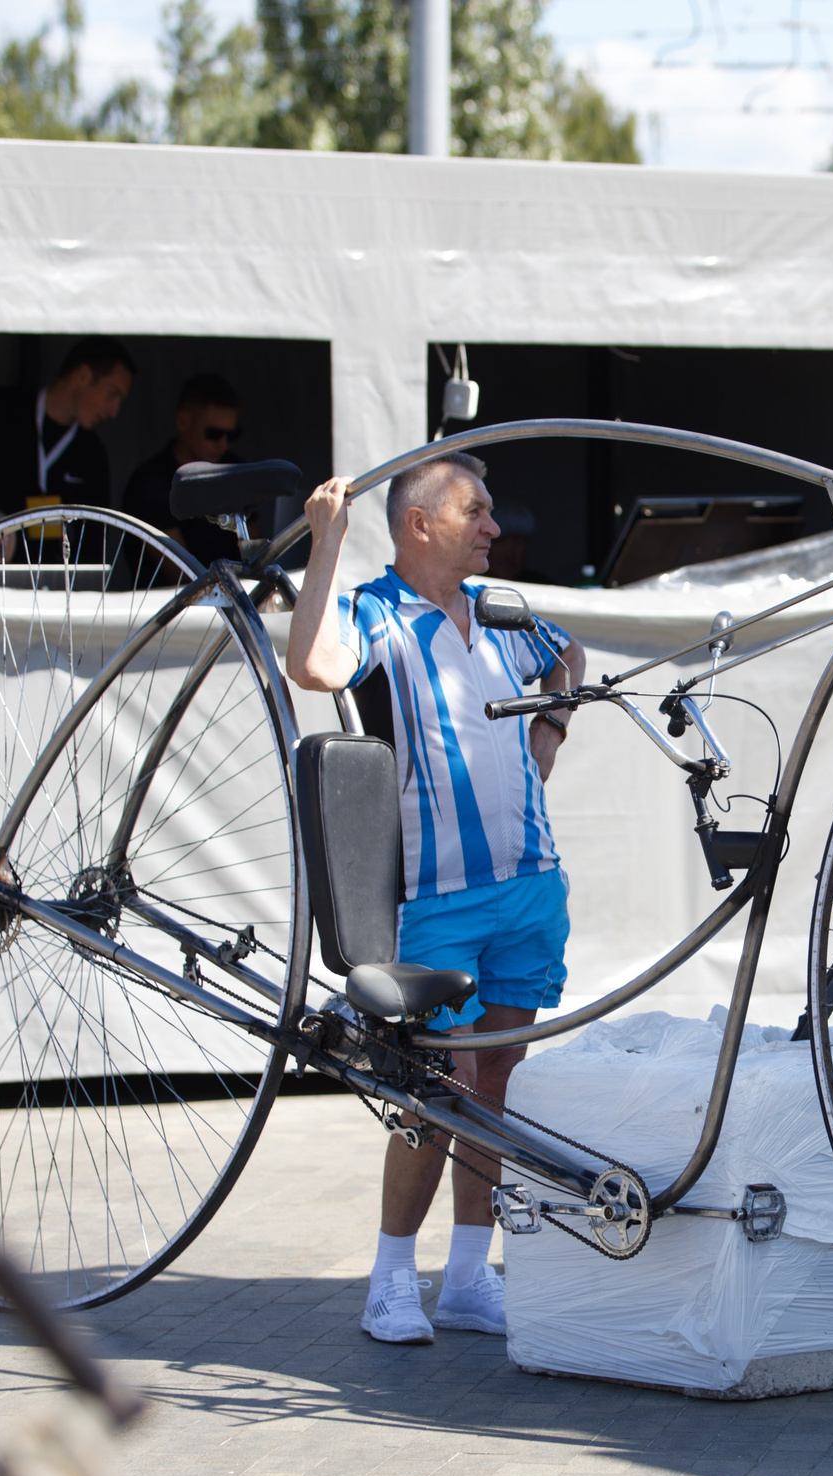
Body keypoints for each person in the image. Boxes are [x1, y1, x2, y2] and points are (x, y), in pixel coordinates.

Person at [281, 452, 586, 1347]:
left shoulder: (497, 610)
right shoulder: (380, 611)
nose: (496, 527)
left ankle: (465, 1275)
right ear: (421, 524)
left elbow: (568, 652)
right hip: (440, 896)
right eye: (476, 511)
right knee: (432, 1090)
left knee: (494, 1082)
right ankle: (387, 1277)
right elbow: (311, 663)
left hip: (529, 883)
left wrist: (550, 733)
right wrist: (326, 543)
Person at [0, 337, 135, 548]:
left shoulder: (92, 453)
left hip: (53, 578)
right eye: (112, 394)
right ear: (82, 375)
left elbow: (93, 539)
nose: (114, 411)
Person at [120, 373, 246, 567]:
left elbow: (259, 553)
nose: (223, 444)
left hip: (240, 593)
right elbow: (181, 571)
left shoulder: (236, 471)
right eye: (213, 434)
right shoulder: (151, 482)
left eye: (231, 435)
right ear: (183, 422)